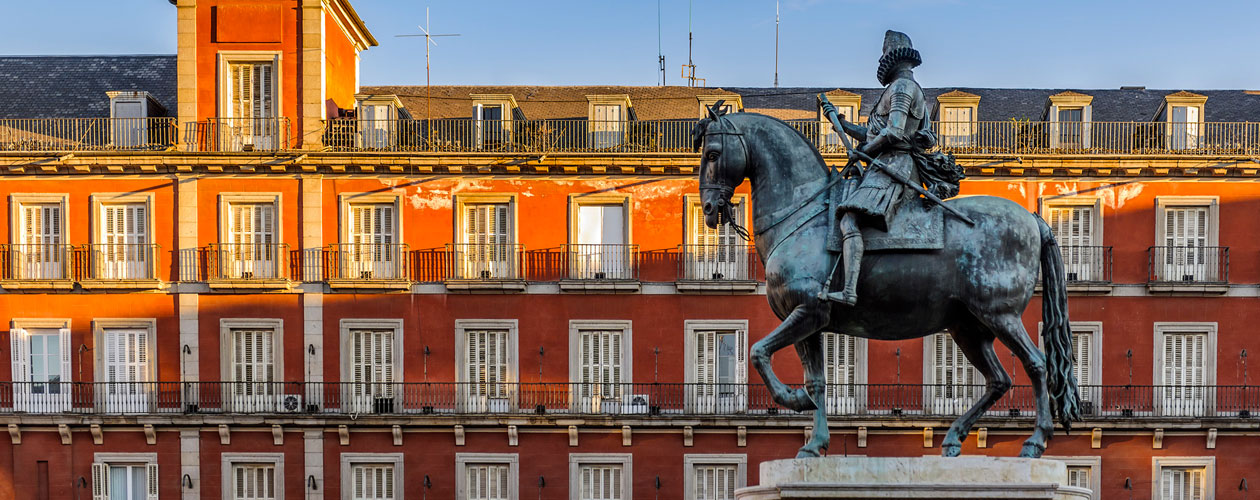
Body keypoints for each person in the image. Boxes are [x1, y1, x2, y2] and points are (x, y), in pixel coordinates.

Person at [822, 30, 934, 305]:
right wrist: (842, 124)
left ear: (893, 56)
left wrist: (863, 152)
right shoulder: (900, 87)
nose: (880, 60)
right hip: (883, 164)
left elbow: (894, 132)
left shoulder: (902, 88)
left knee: (849, 219)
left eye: (883, 54)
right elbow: (874, 133)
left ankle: (849, 291)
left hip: (893, 166)